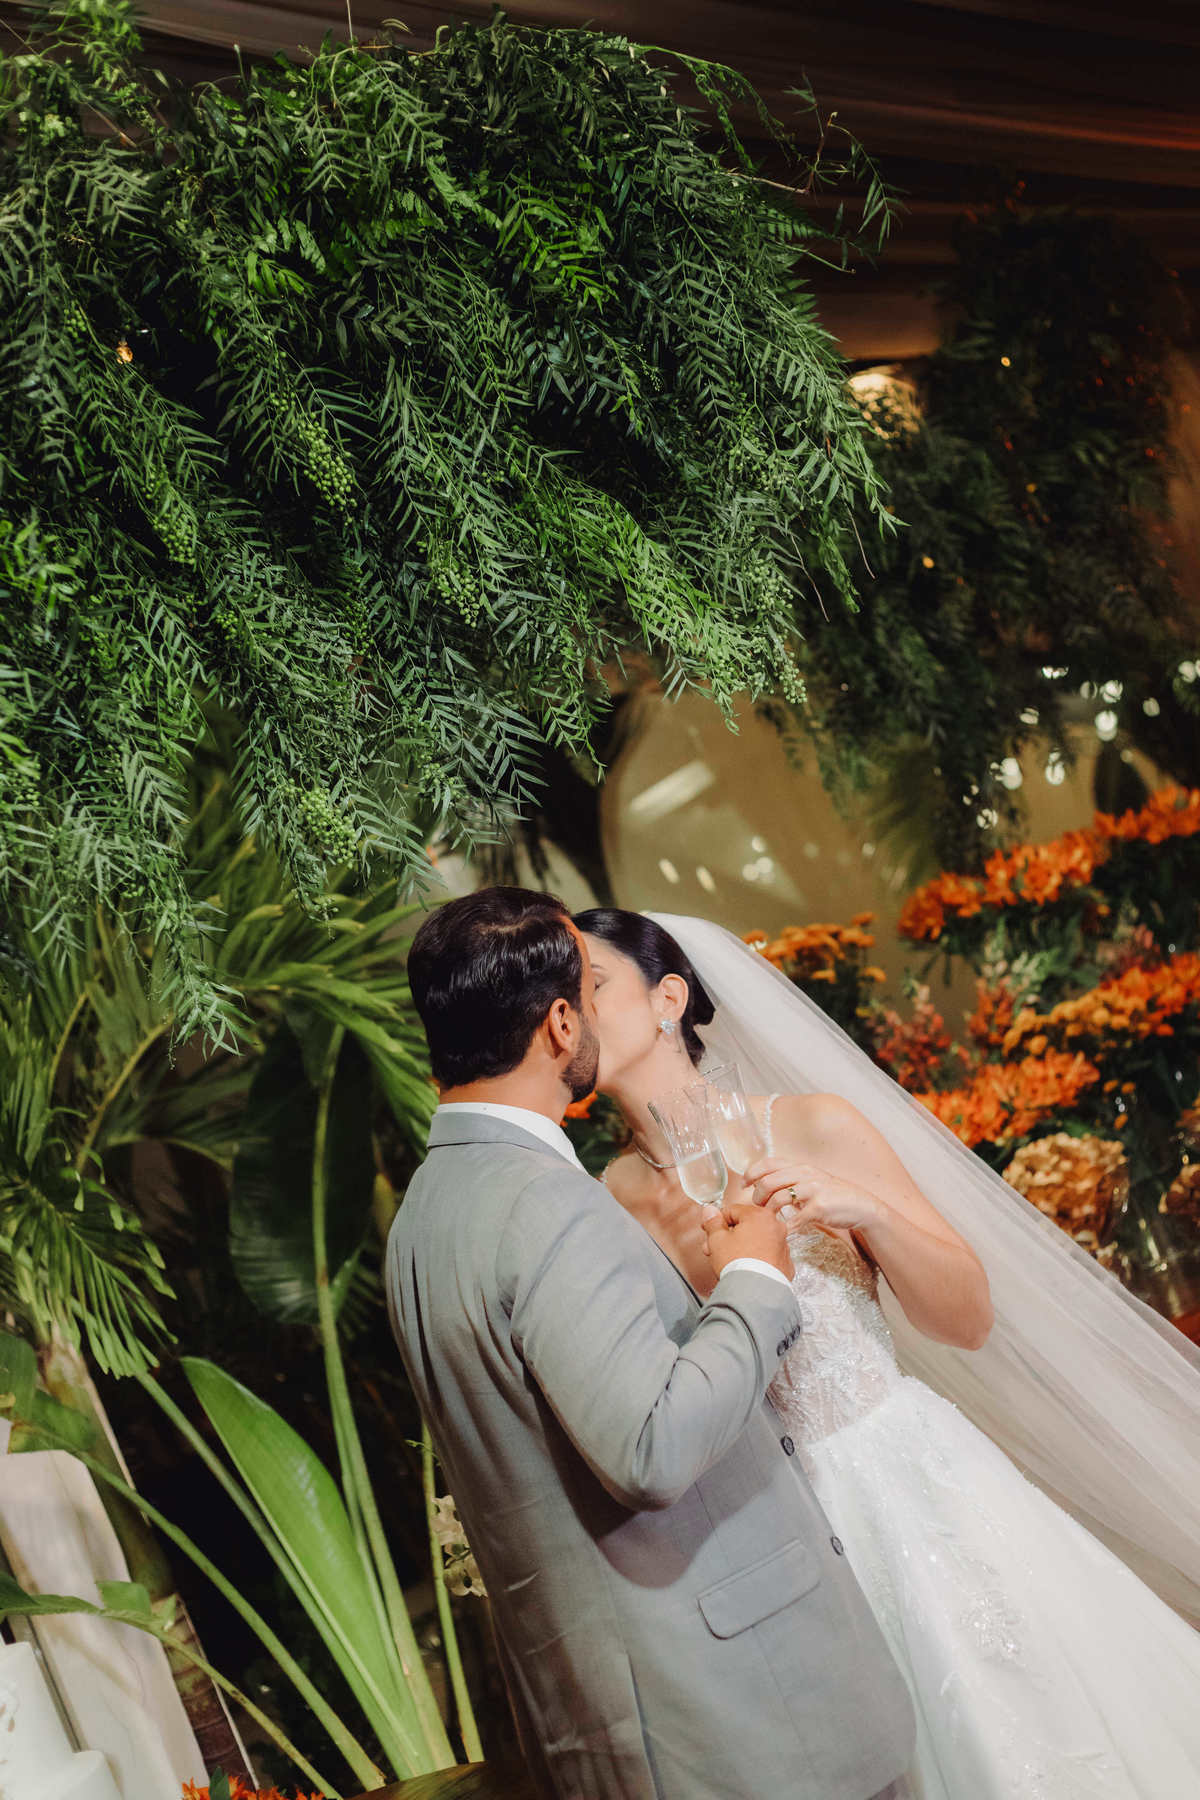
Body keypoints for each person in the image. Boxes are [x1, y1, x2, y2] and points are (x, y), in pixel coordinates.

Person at [575, 906, 1200, 1800]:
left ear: (669, 997)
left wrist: (860, 1212)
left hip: (922, 1484)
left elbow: (967, 1316)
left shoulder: (813, 1128)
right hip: (782, 1539)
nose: (571, 1009)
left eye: (591, 984)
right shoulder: (609, 1202)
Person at [386, 887, 915, 1800]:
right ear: (559, 1026)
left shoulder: (421, 1221)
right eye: (582, 996)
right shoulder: (546, 1202)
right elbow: (651, 1448)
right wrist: (755, 1277)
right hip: (739, 1714)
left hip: (607, 1717)